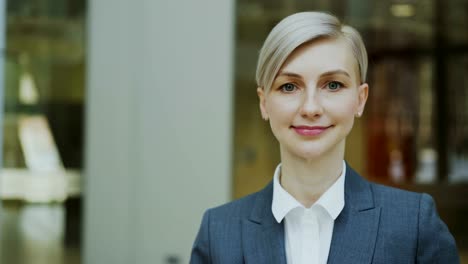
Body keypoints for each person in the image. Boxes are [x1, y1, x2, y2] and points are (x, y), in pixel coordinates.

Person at [190, 11, 459, 264]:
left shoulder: (414, 225)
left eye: (333, 85)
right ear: (264, 103)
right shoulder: (218, 233)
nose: (311, 108)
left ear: (360, 99)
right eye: (288, 86)